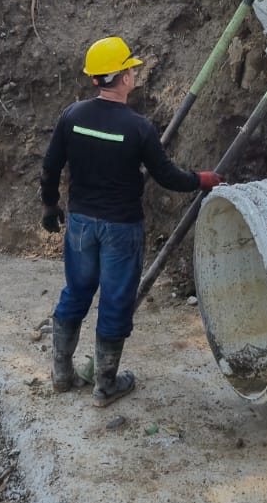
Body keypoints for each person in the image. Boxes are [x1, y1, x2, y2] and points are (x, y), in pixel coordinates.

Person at [41, 36, 220, 406]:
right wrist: (202, 180)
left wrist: (49, 205)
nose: (135, 73)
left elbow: (50, 164)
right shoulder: (138, 128)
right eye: (131, 68)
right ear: (121, 78)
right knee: (115, 300)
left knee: (76, 292)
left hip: (80, 225)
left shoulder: (72, 116)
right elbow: (167, 176)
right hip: (121, 228)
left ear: (96, 79)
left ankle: (61, 373)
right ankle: (105, 385)